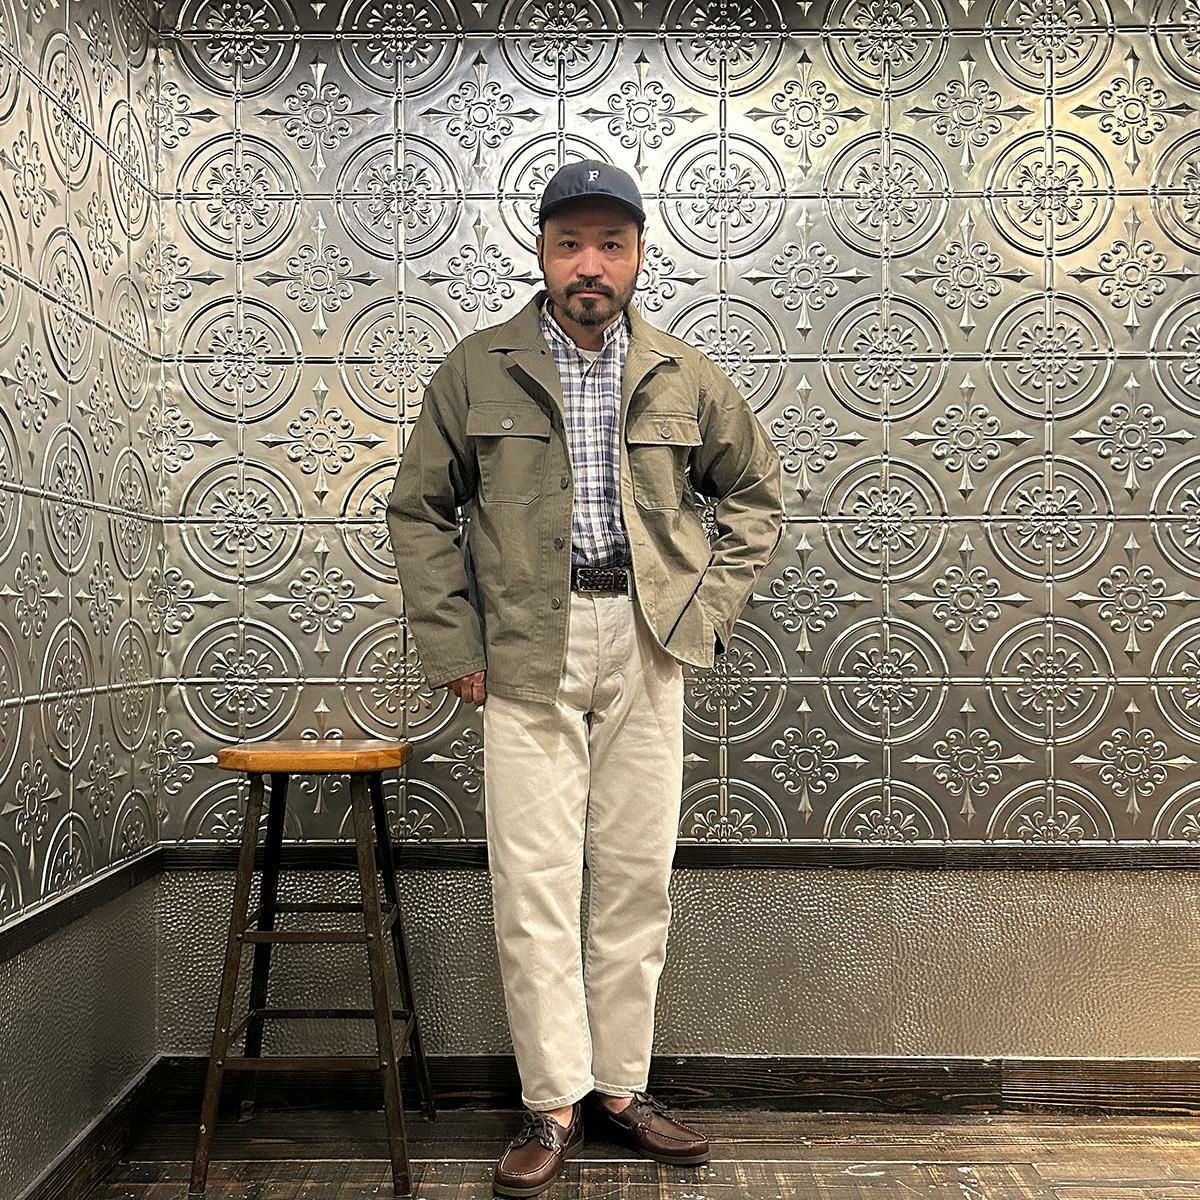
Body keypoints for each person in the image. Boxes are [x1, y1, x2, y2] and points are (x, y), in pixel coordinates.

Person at [386, 159, 784, 1197]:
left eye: (611, 244)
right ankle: (552, 1101)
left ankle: (621, 1088)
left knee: (637, 876)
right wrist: (454, 647)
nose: (590, 265)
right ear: (542, 253)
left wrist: (701, 617)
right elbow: (418, 511)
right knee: (534, 883)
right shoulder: (476, 370)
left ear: (641, 255)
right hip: (527, 646)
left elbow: (754, 498)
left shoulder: (685, 374)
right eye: (571, 245)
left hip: (646, 640)